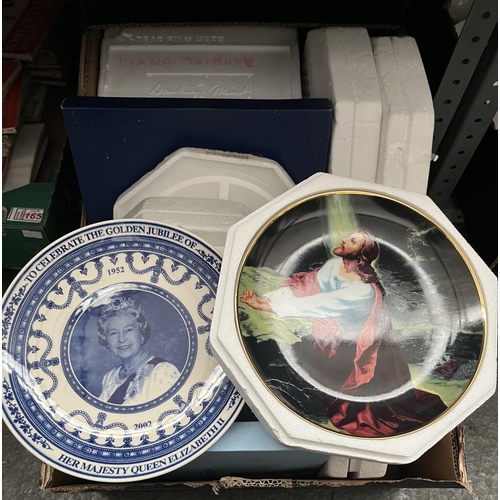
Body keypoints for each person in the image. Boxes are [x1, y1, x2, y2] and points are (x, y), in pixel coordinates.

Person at [240, 230, 447, 437]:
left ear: (361, 254)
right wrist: (268, 299)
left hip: (365, 351)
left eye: (352, 241)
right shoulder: (333, 266)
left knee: (368, 406)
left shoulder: (360, 291)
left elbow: (313, 304)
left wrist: (264, 305)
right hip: (340, 339)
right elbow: (307, 287)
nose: (344, 240)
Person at [94, 293, 180, 405]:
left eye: (128, 330)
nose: (121, 339)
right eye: (113, 333)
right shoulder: (109, 377)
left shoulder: (163, 372)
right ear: (106, 340)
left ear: (142, 334)